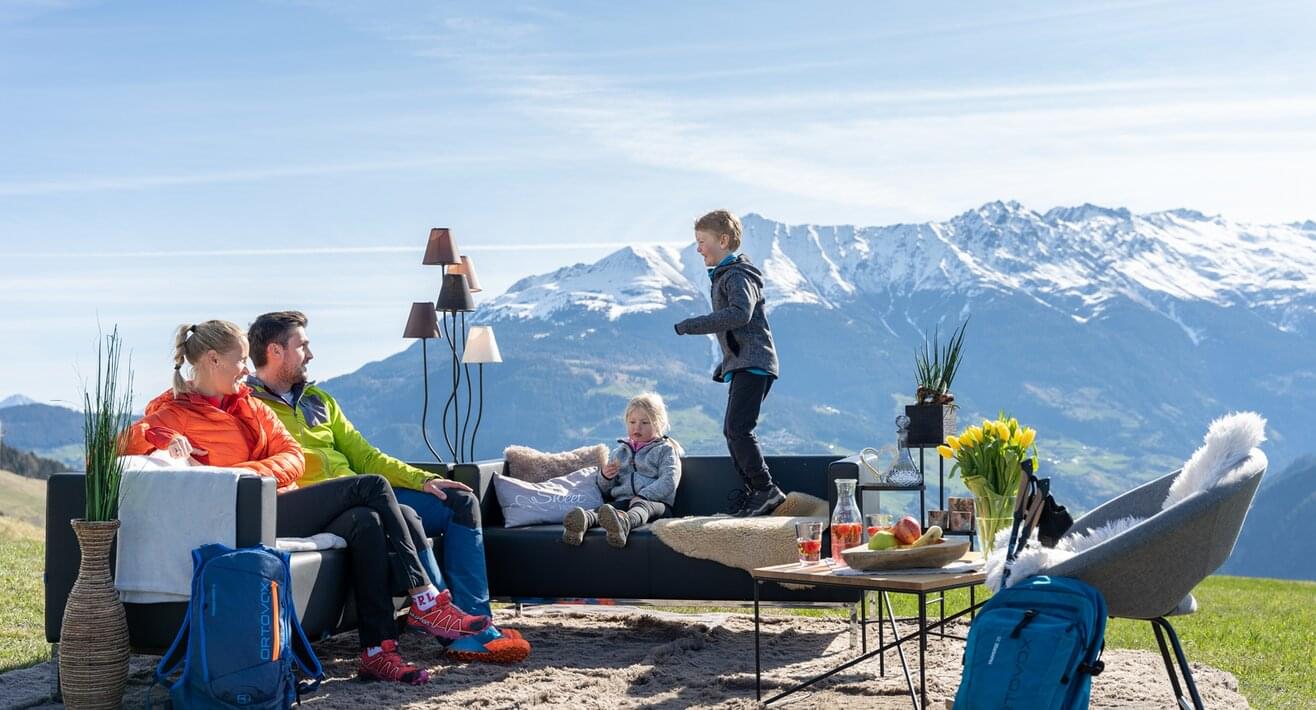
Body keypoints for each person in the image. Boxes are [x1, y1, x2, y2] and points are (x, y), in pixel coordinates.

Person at [122, 320, 489, 684]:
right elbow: (113, 451)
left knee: (367, 521)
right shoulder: (174, 411)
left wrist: (244, 473)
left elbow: (293, 456)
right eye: (241, 360)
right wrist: (156, 433)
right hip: (239, 517)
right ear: (214, 359)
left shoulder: (251, 407)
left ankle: (378, 652)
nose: (247, 370)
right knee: (372, 486)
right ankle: (425, 599)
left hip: (273, 502)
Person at [244, 311, 530, 664]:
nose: (311, 354)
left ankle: (472, 623)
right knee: (406, 514)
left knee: (458, 500)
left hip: (367, 489)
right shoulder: (248, 408)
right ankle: (446, 619)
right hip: (326, 505)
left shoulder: (320, 400)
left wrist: (423, 479)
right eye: (302, 345)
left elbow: (366, 456)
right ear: (275, 351)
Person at [674, 210, 785, 517]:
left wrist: (695, 324)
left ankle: (766, 490)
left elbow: (740, 314)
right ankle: (756, 491)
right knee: (732, 430)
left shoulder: (737, 275)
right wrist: (728, 362)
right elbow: (741, 330)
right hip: (745, 363)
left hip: (754, 364)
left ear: (722, 240)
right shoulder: (726, 275)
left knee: (738, 429)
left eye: (702, 241)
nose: (698, 249)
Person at [562, 392, 682, 548]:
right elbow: (606, 490)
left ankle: (624, 523)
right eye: (632, 422)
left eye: (644, 423)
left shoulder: (665, 450)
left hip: (656, 505)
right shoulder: (619, 453)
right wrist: (605, 477)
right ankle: (582, 523)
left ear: (658, 424)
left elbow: (669, 482)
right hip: (623, 502)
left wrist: (642, 496)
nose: (637, 427)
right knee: (608, 509)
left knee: (641, 507)